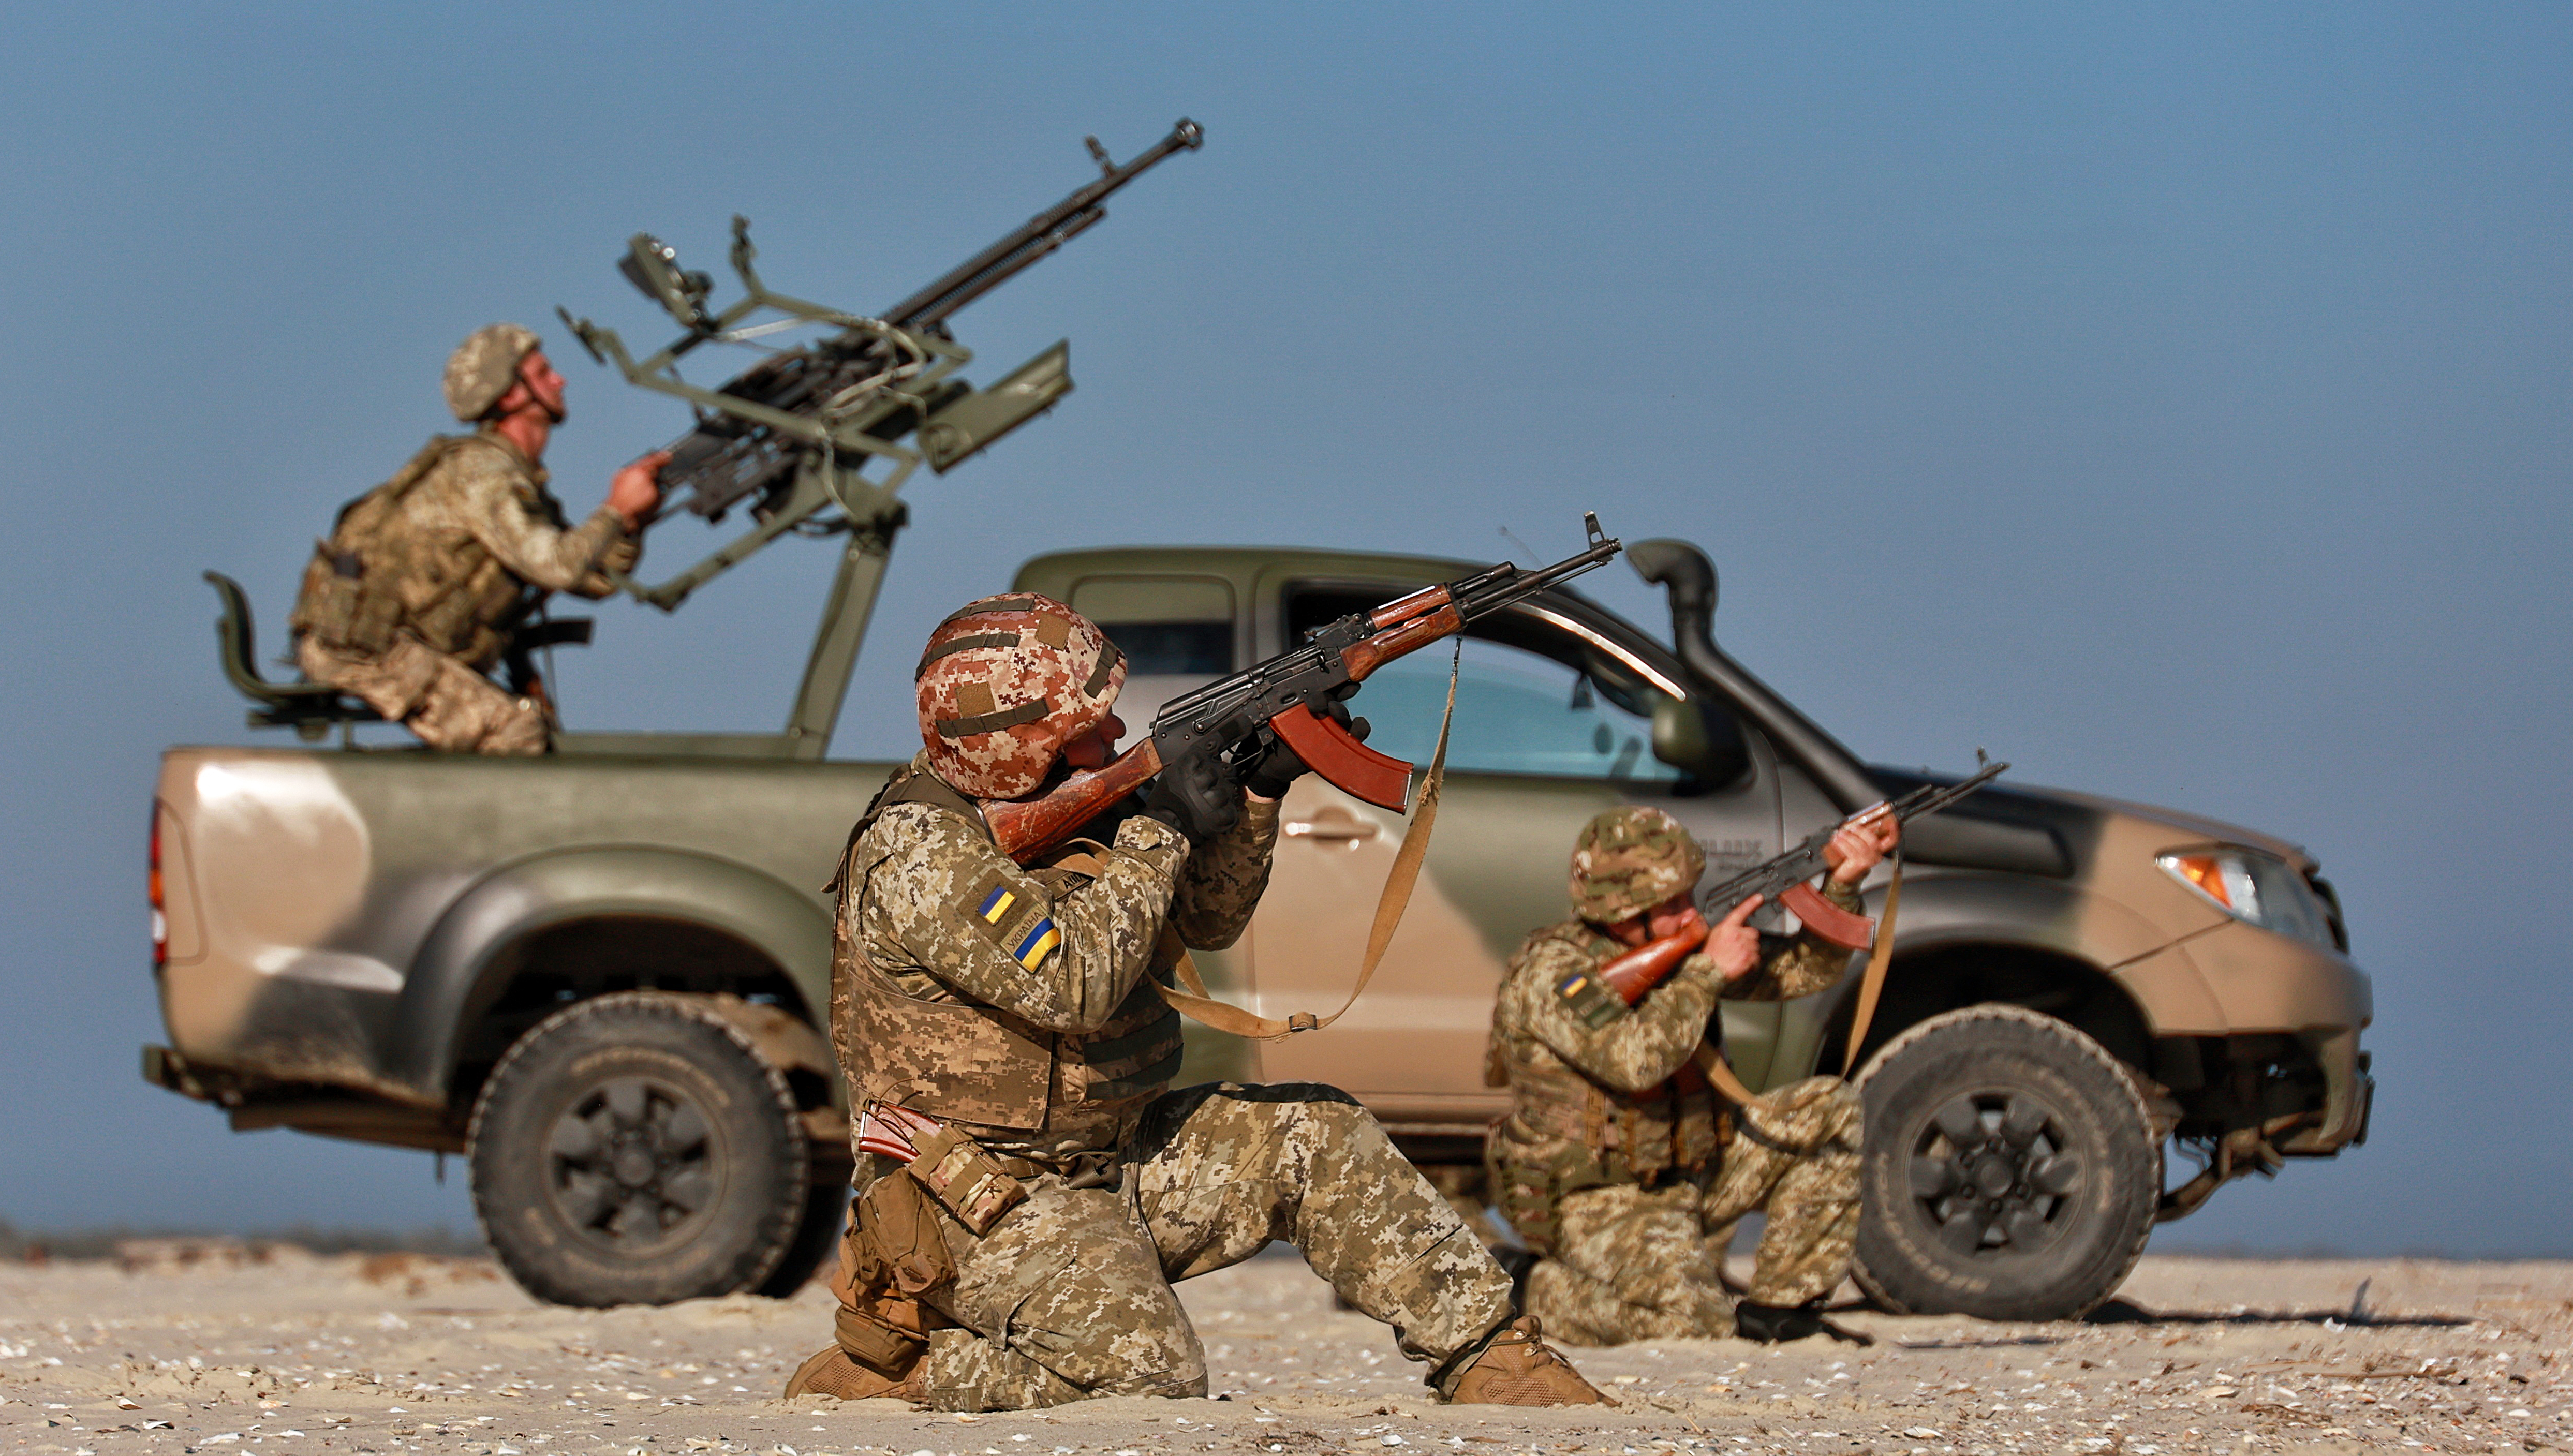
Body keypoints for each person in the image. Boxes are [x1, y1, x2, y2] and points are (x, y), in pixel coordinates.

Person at [785, 593, 1604, 1410]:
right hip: (980, 1200)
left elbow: (1206, 924)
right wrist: (1163, 824)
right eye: (1087, 727)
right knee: (1149, 1378)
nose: (1114, 736)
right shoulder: (922, 852)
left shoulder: (1070, 805)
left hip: (1115, 1157)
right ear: (1016, 743)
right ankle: (904, 1377)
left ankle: (1492, 1360)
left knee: (1317, 1133)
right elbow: (1077, 982)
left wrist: (1256, 797)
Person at [1484, 801, 1900, 1346]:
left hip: (1696, 1172)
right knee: (1691, 1323)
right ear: (1622, 906)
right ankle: (1529, 1283)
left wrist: (1843, 883)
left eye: (1688, 894)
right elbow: (1634, 1060)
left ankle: (1781, 1307)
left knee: (1828, 1108)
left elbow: (1805, 970)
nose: (1689, 914)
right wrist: (1707, 972)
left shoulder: (1681, 951)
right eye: (1669, 902)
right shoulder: (1553, 972)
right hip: (1595, 1197)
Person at [289, 322, 665, 755]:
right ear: (510, 395)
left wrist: (631, 524)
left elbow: (594, 580)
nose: (560, 380)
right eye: (543, 373)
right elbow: (558, 566)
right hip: (366, 648)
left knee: (519, 729)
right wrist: (614, 510)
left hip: (388, 645)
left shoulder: (513, 479)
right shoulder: (482, 475)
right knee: (515, 736)